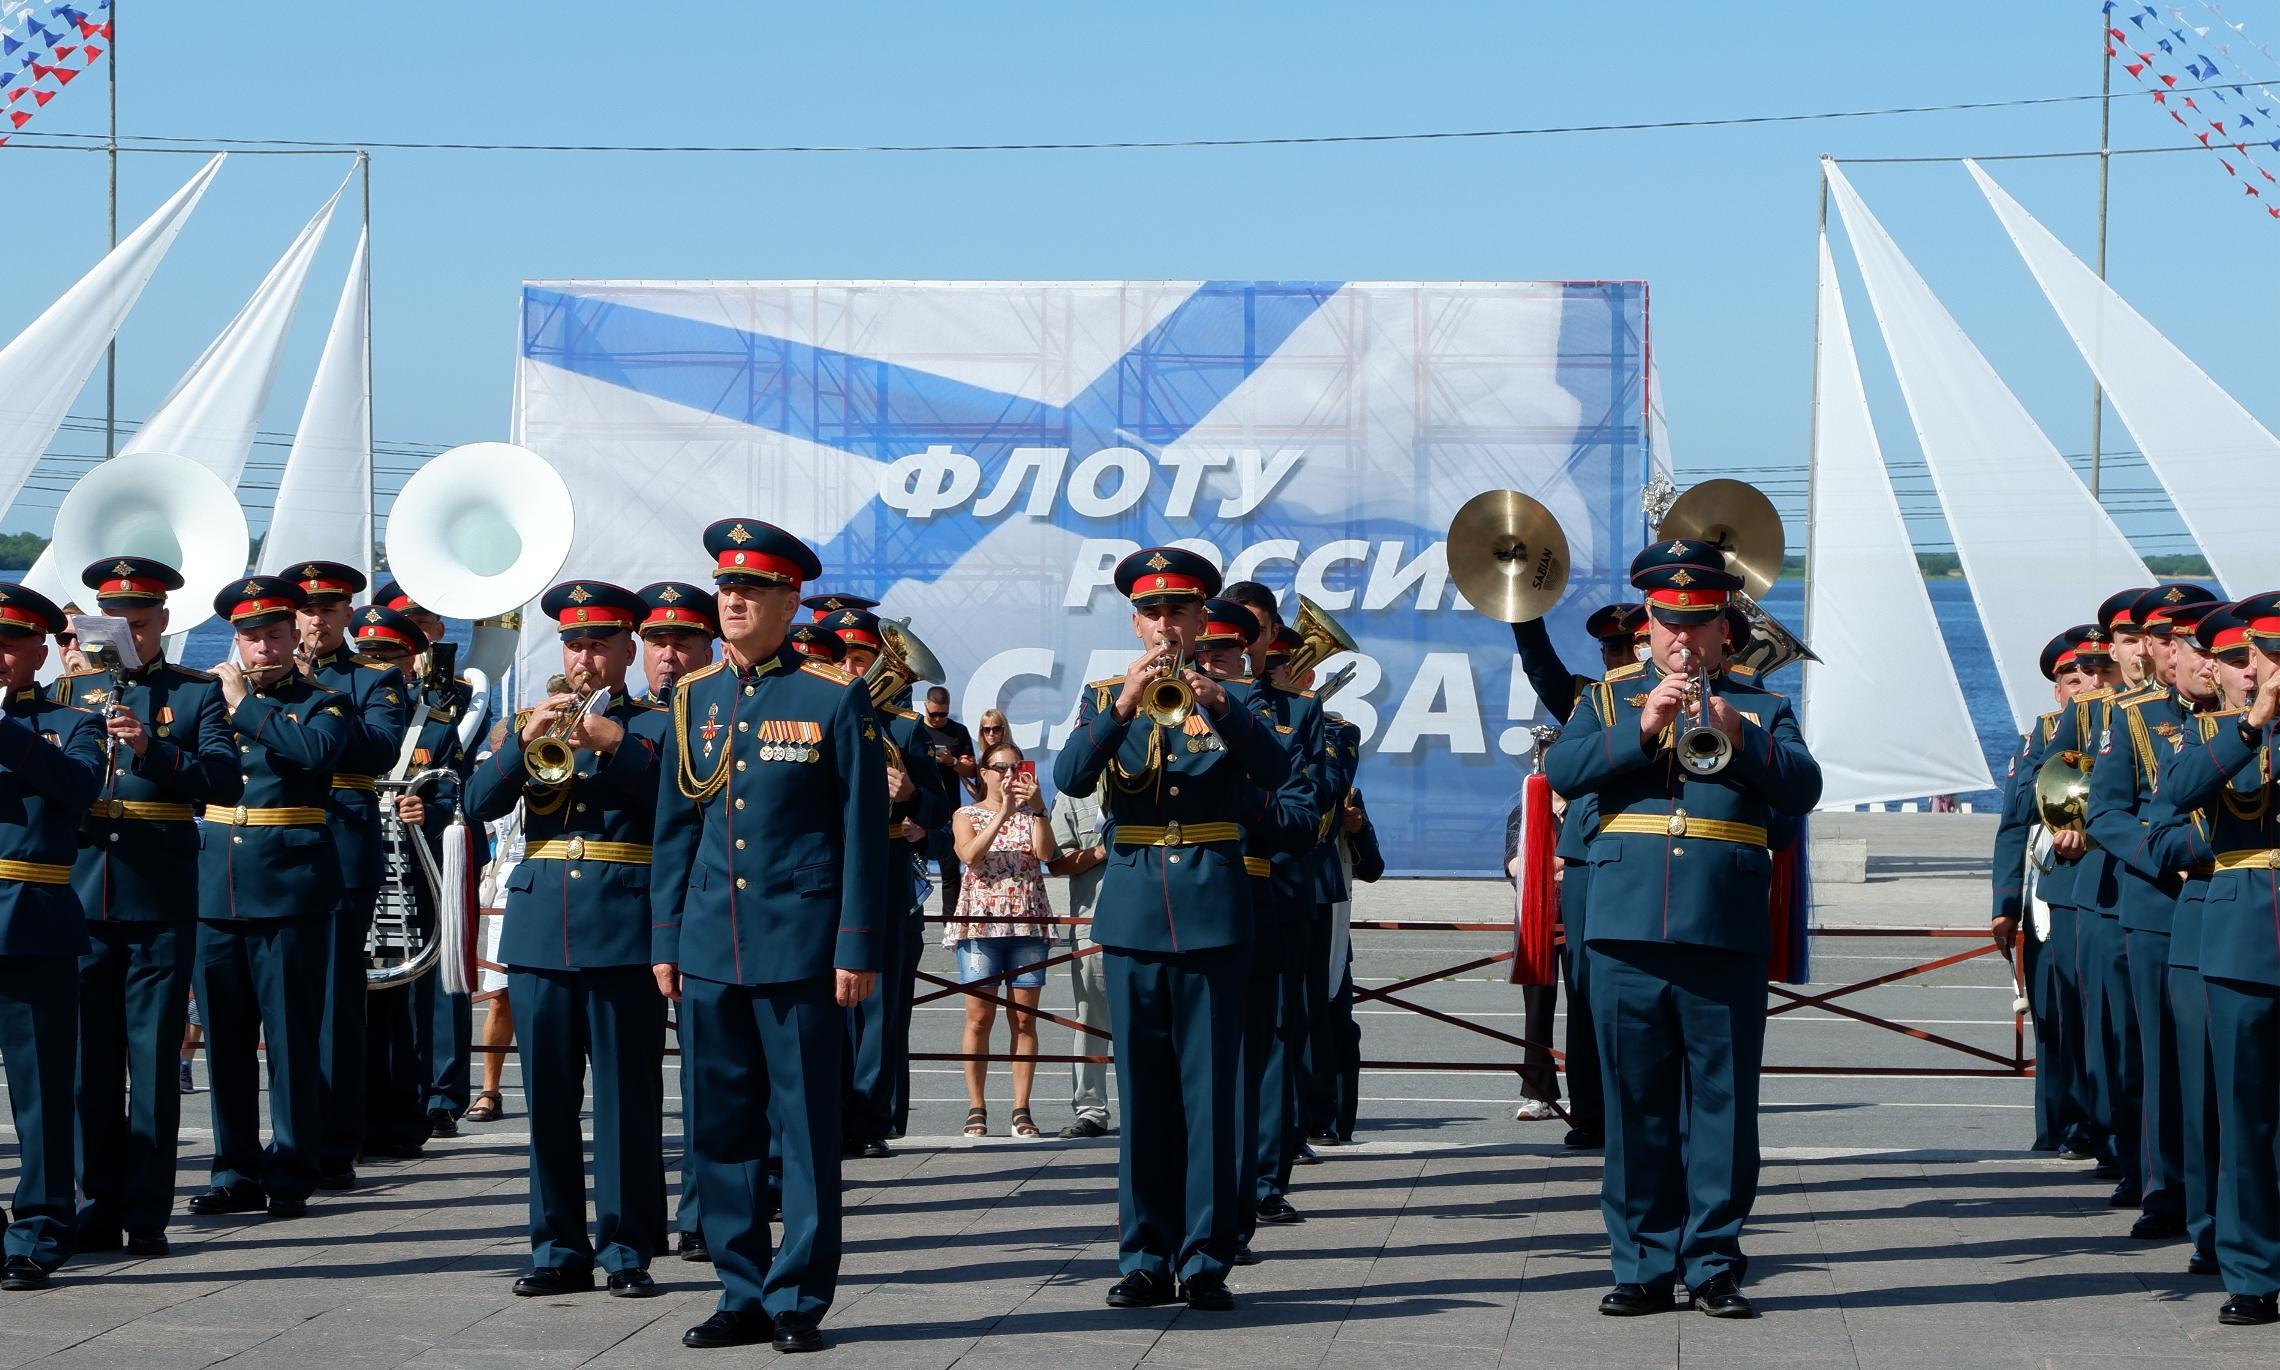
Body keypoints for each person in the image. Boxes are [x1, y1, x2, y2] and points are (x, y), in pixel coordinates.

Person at [1544, 538, 1822, 1319]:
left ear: (1724, 631)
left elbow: (1803, 786)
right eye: (1669, 623)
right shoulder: (1605, 701)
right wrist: (1643, 726)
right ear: (1649, 625)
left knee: (1723, 1108)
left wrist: (1742, 737)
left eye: (1699, 625)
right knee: (1636, 1107)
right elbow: (1562, 775)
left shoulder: (1763, 704)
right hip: (1626, 927)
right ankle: (1639, 1264)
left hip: (1723, 927)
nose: (1683, 640)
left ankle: (1712, 1263)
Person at [1054, 549, 1314, 1313]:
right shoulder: (1106, 694)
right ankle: (1144, 1256)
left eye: (1180, 611)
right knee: (1144, 1095)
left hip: (1212, 906)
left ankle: (1205, 1257)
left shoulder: (1240, 698)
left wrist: (1221, 706)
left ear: (1204, 619)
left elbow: (1275, 774)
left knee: (1208, 1095)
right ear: (1134, 622)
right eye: (1152, 613)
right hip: (1134, 907)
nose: (1166, 624)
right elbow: (1069, 778)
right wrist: (1124, 707)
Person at [652, 518, 886, 1353]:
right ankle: (739, 1289)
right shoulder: (694, 698)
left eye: (751, 590)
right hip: (713, 945)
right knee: (719, 1127)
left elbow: (863, 830)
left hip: (801, 945)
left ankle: (796, 1297)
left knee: (806, 1127)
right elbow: (679, 826)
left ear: (791, 600)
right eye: (725, 589)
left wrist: (857, 944)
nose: (733, 602)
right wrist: (666, 939)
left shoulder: (832, 696)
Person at [464, 580, 670, 1300]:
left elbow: (676, 797)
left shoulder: (655, 723)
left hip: (624, 926)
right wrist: (520, 744)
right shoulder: (530, 719)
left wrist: (611, 742)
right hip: (540, 925)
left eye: (599, 643)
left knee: (625, 1100)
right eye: (574, 644)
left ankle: (625, 1249)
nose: (584, 657)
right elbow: (475, 803)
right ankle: (556, 1245)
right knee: (547, 1099)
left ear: (626, 649)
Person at [55, 557, 234, 1259]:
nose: (123, 633)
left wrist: (150, 747)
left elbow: (222, 782)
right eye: (109, 621)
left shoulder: (192, 696)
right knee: (87, 1064)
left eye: (136, 621)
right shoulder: (65, 693)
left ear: (162, 621)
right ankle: (94, 1205)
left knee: (153, 1061)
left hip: (157, 900)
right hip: (82, 894)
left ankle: (147, 1212)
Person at [186, 576, 349, 1224]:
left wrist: (243, 705)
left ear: (291, 637)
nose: (261, 648)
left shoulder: (321, 703)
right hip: (217, 886)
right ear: (236, 639)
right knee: (224, 1039)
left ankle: (291, 1167)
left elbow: (313, 752)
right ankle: (234, 1168)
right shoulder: (206, 702)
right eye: (250, 638)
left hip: (288, 889)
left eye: (273, 635)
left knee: (289, 1039)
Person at [2152, 597, 2280, 1326]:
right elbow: (2176, 795)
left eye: (2266, 656)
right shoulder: (2210, 734)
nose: (2254, 667)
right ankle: (2254, 1272)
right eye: (2250, 657)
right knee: (2247, 1115)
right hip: (2241, 940)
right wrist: (2256, 720)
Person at [2088, 584, 2221, 1245]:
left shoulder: (2238, 716)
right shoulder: (2133, 716)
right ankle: (2164, 1187)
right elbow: (2106, 813)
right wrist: (2160, 856)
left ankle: (2225, 1201)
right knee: (2163, 1055)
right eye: (2164, 640)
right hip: (2161, 902)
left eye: (2185, 640)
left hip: (2233, 900)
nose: (2171, 653)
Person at [288, 560, 411, 1190]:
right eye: (307, 610)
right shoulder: (259, 679)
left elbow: (377, 748)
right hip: (274, 848)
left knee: (336, 997)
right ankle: (284, 1139)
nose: (316, 620)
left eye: (330, 609)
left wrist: (316, 697)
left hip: (339, 843)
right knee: (279, 1003)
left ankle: (336, 1143)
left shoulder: (375, 678)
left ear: (346, 615)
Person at [0, 583, 104, 1291]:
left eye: (9, 642)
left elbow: (80, 787)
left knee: (41, 1088)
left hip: (31, 916)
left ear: (40, 649)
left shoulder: (71, 721)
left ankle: (39, 1228)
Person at [1506, 601, 1640, 1148]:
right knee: (1586, 994)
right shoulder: (1591, 698)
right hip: (1592, 858)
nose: (1613, 656)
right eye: (1607, 649)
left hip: (1655, 858)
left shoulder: (1691, 691)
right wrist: (1520, 605)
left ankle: (1651, 1113)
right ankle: (1591, 1114)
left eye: (1622, 646)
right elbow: (1542, 669)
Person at [819, 603, 946, 1159]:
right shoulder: (811, 717)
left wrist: (911, 796)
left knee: (880, 1003)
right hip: (826, 871)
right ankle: (827, 1106)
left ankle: (867, 1117)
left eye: (864, 659)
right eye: (845, 659)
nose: (853, 670)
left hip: (888, 870)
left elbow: (942, 804)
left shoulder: (904, 729)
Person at [371, 581, 486, 1144]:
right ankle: (391, 1089)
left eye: (420, 626)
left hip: (430, 851)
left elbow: (465, 781)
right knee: (383, 970)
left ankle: (442, 1092)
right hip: (375, 848)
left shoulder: (455, 698)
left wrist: (434, 809)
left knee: (441, 974)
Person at [2133, 596, 2227, 1278]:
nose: (2181, 656)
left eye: (2197, 646)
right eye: (2175, 645)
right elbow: (2140, 820)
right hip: (2190, 911)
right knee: (2195, 1084)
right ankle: (2206, 1219)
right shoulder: (2148, 725)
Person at [2039, 620, 2142, 1208]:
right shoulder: (2089, 716)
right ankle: (2131, 1154)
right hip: (2102, 884)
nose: (2105, 673)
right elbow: (2056, 782)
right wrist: (2071, 828)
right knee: (2114, 1033)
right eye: (2113, 653)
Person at [635, 580, 719, 1263]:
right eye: (656, 643)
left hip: (693, 911)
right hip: (613, 915)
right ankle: (632, 1220)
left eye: (682, 642)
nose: (668, 656)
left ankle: (699, 1210)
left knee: (705, 1077)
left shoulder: (716, 715)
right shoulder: (624, 713)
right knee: (629, 1085)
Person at [945, 740, 1056, 1139]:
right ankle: (976, 1107)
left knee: (1024, 1019)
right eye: (1000, 768)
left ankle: (1021, 1109)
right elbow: (970, 855)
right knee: (979, 1018)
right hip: (981, 925)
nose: (1009, 775)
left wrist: (1038, 808)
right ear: (985, 773)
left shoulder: (1033, 815)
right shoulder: (966, 814)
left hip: (1026, 922)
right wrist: (1002, 814)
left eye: (1015, 767)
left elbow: (1046, 853)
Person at [1045, 780, 1113, 1140]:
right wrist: (1101, 852)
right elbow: (1057, 862)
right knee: (1091, 1020)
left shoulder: (1148, 775)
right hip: (1093, 922)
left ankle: (1152, 1103)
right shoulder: (1074, 794)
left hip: (1151, 925)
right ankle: (1091, 1110)